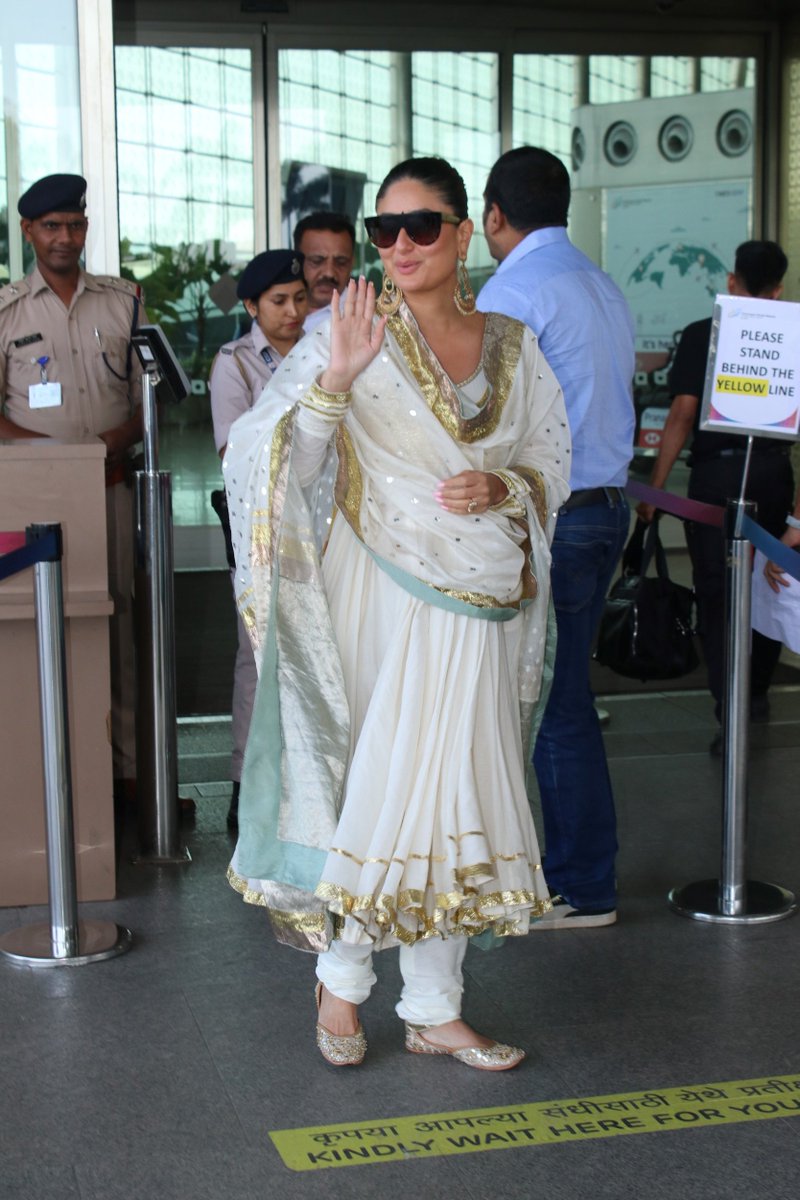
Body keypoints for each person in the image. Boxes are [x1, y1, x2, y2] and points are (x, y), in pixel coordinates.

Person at [224, 156, 570, 1069]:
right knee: (382, 794)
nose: (401, 245)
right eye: (386, 230)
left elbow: (551, 451)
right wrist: (335, 379)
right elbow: (279, 468)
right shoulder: (350, 327)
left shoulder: (512, 342)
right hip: (380, 593)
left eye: (423, 225)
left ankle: (434, 1006)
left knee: (457, 794)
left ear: (465, 232)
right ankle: (341, 987)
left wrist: (506, 482)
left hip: (483, 601)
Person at [478, 146, 636, 930]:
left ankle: (581, 885)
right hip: (607, 507)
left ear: (493, 216)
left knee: (554, 704)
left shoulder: (515, 289)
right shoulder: (596, 282)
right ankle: (579, 872)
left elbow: (492, 413)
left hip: (560, 518)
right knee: (565, 696)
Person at [0, 173, 145, 798]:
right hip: (36, 504)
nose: (65, 237)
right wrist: (59, 458)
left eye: (75, 225)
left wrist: (116, 441)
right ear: (29, 230)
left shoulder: (123, 302)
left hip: (111, 491)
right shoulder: (6, 311)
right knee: (44, 629)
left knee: (120, 625)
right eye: (52, 226)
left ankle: (128, 776)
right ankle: (54, 776)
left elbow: (150, 400)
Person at [638, 241, 793, 754]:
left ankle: (732, 713)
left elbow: (681, 415)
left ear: (731, 281)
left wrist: (656, 491)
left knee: (719, 595)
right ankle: (757, 694)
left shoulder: (706, 333)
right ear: (778, 290)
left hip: (714, 482)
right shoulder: (791, 337)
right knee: (769, 589)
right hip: (773, 475)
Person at [208, 249, 307, 830]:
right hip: (261, 528)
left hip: (321, 523)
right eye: (278, 301)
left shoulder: (323, 349)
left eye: (299, 297)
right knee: (258, 655)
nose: (293, 310)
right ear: (251, 306)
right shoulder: (236, 364)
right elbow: (232, 454)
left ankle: (308, 779)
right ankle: (247, 783)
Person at [292, 212, 355, 331]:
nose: (329, 273)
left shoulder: (362, 320)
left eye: (341, 262)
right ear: (297, 262)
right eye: (317, 261)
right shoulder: (277, 310)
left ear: (352, 263)